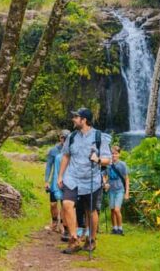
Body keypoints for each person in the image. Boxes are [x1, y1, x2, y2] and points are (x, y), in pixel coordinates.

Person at [57, 107, 111, 254]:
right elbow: (66, 156)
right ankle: (74, 239)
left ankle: (91, 239)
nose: (73, 119)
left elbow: (108, 160)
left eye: (76, 117)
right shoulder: (72, 137)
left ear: (84, 120)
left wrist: (98, 159)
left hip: (91, 179)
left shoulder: (100, 137)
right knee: (67, 204)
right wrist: (60, 176)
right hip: (72, 177)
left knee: (91, 211)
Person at [44, 129, 69, 235]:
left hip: (66, 181)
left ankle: (63, 225)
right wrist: (46, 180)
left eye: (66, 138)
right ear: (60, 138)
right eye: (62, 137)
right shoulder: (53, 150)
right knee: (53, 204)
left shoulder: (70, 150)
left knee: (64, 204)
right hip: (55, 181)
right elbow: (49, 166)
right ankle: (54, 222)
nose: (64, 140)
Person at [108, 145, 130, 235]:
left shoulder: (122, 164)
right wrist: (105, 183)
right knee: (112, 210)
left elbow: (127, 179)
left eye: (116, 154)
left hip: (120, 190)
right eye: (112, 154)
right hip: (111, 190)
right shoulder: (108, 164)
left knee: (117, 210)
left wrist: (127, 192)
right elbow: (105, 176)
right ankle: (114, 228)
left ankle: (120, 228)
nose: (114, 156)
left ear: (119, 154)